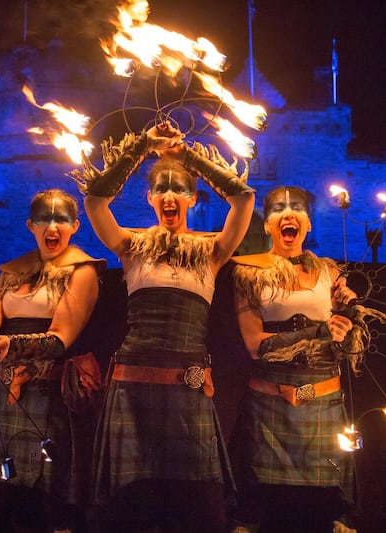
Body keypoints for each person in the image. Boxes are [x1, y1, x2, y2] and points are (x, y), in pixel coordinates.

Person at [71, 122, 255, 533]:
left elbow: (243, 198)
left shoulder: (213, 252)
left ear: (191, 198)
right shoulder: (132, 247)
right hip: (132, 387)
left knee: (198, 511)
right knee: (131, 507)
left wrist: (183, 153)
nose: (170, 195)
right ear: (151, 198)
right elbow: (95, 199)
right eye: (161, 189)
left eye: (179, 189)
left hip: (187, 389)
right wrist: (142, 145)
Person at [0, 189, 105, 533]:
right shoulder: (14, 272)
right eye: (43, 219)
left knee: (49, 506)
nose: (52, 227)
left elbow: (58, 340)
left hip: (49, 402)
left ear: (75, 226)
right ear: (30, 225)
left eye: (61, 219)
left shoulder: (81, 272)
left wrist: (9, 343)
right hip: (7, 399)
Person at [226, 186, 361, 533]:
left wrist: (351, 314)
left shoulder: (331, 273)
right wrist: (317, 332)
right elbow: (255, 345)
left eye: (297, 208)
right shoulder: (247, 274)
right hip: (269, 405)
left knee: (321, 512)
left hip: (323, 405)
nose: (288, 214)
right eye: (277, 210)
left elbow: (349, 340)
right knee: (261, 511)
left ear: (309, 224)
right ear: (267, 225)